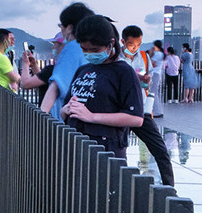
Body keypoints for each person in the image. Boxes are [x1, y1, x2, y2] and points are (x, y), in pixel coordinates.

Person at [61, 16, 146, 155]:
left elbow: (136, 118)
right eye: (84, 49)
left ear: (110, 44)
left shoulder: (123, 72)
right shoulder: (83, 70)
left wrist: (91, 116)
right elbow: (64, 110)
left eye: (95, 50)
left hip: (106, 150)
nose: (89, 54)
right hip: (75, 146)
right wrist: (66, 109)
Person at [120, 25, 176, 186]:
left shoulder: (144, 57)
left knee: (160, 149)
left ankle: (169, 187)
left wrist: (146, 81)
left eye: (138, 44)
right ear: (123, 41)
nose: (135, 48)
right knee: (119, 150)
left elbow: (148, 81)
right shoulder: (115, 58)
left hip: (141, 110)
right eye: (131, 45)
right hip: (121, 111)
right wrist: (135, 77)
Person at [41, 2, 95, 119]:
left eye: (62, 28)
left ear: (69, 28)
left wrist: (41, 116)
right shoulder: (91, 49)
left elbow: (56, 86)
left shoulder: (72, 48)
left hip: (66, 119)